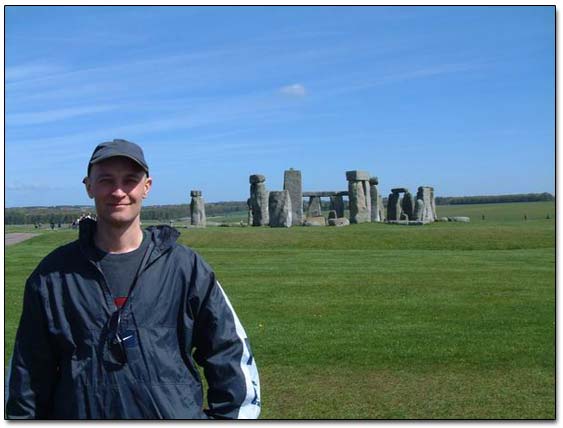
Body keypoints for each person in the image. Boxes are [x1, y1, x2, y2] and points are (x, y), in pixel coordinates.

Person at [6, 139, 261, 419]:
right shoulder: (52, 276)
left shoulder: (185, 268)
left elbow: (229, 354)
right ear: (88, 185)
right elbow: (27, 377)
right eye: (106, 180)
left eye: (130, 180)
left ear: (146, 187)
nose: (118, 191)